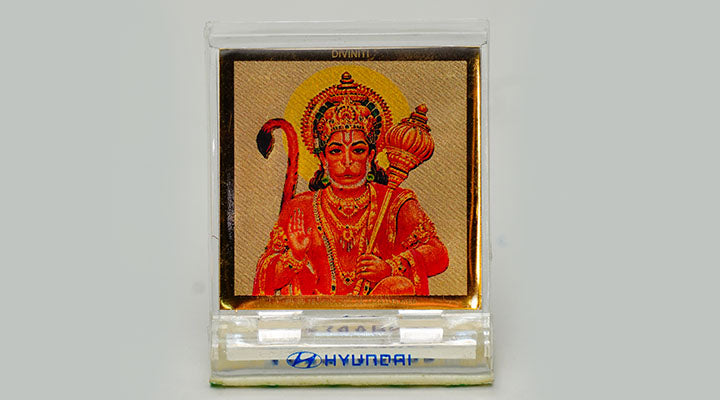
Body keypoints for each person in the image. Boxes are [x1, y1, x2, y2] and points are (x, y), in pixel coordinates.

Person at [252, 73, 448, 296]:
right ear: (323, 158)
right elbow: (267, 278)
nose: (347, 161)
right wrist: (294, 256)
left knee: (399, 286)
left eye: (358, 150)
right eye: (336, 151)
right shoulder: (301, 207)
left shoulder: (396, 201)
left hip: (377, 309)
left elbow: (439, 255)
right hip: (316, 312)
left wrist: (390, 268)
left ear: (371, 155)